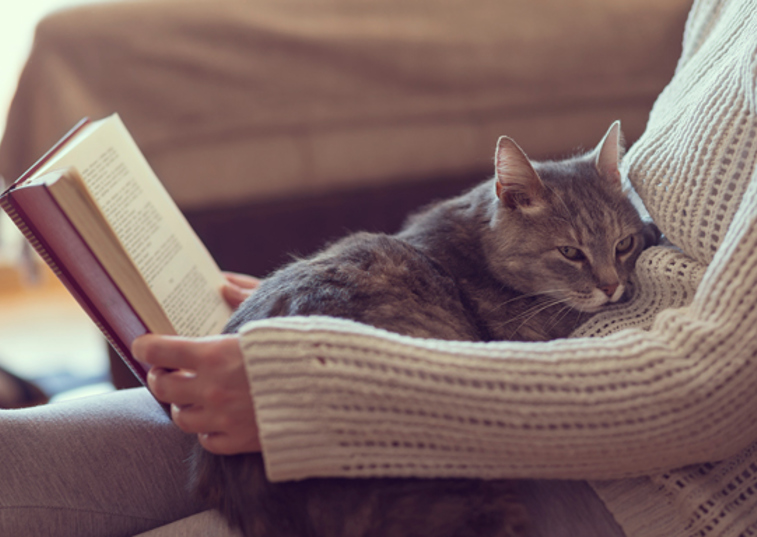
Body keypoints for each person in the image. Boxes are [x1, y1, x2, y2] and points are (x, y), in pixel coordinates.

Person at [2, 0, 757, 535]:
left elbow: (714, 389)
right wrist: (323, 311)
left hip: (644, 478)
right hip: (462, 380)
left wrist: (326, 380)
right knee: (17, 457)